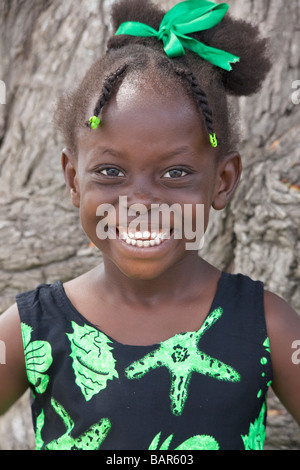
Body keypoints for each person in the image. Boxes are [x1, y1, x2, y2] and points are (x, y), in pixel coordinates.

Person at [0, 0, 299, 451]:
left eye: (175, 173)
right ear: (72, 179)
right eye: (110, 172)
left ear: (223, 181)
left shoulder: (268, 325)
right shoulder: (30, 330)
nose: (141, 202)